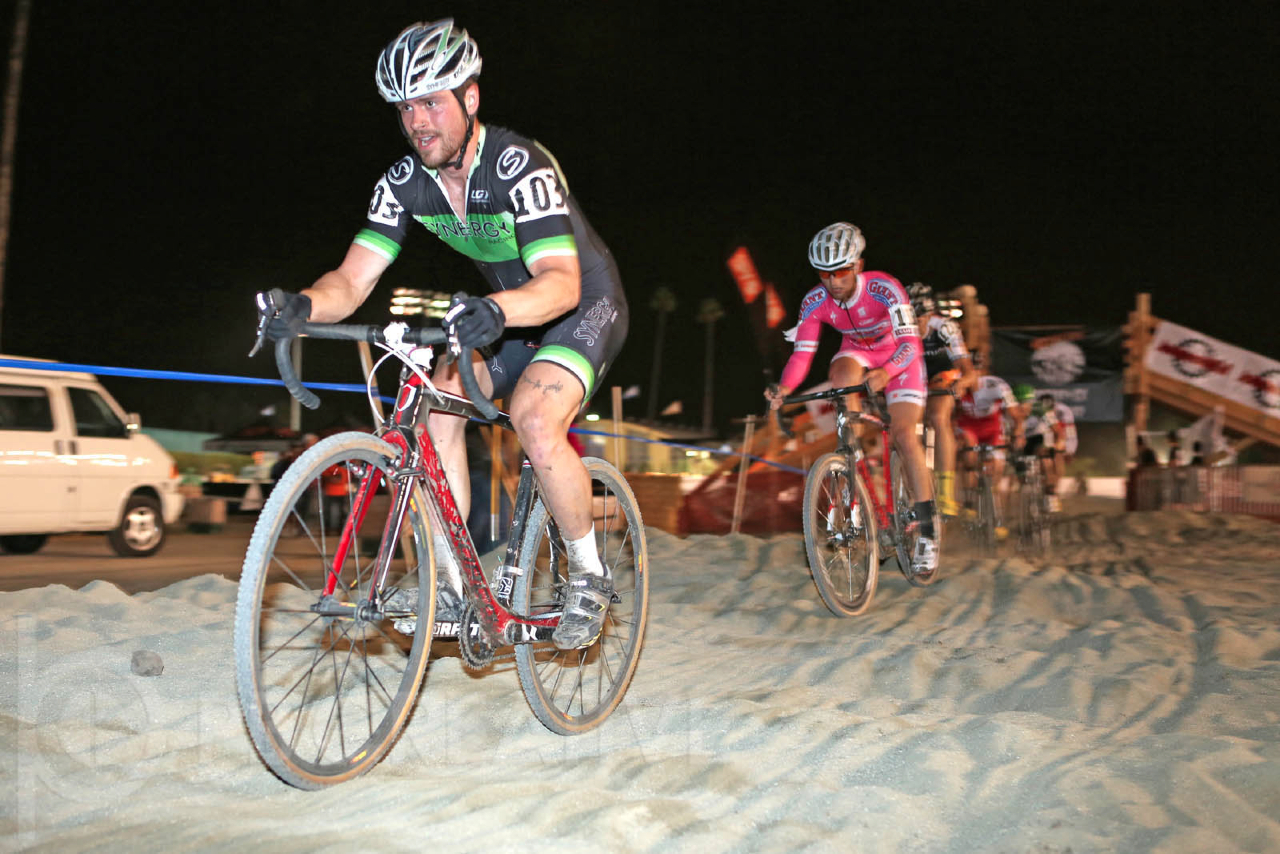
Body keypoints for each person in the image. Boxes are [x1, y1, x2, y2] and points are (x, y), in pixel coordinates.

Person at [260, 19, 628, 650]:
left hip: (578, 303)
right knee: (433, 410)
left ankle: (589, 575)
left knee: (534, 419)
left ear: (470, 98)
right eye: (405, 108)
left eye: (431, 102)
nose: (417, 121)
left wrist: (497, 309)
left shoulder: (518, 165)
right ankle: (456, 583)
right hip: (506, 313)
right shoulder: (405, 184)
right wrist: (303, 305)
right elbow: (350, 281)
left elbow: (561, 283)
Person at [764, 222, 938, 578]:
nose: (833, 282)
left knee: (905, 435)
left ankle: (928, 532)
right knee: (841, 374)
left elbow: (911, 344)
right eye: (824, 274)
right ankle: (853, 460)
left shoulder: (885, 288)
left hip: (899, 359)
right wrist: (783, 388)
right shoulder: (814, 301)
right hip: (857, 355)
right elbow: (802, 355)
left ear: (858, 265)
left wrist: (887, 373)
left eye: (841, 271)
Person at [908, 283, 978, 517]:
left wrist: (962, 382)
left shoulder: (945, 328)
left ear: (929, 315)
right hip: (913, 374)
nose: (913, 326)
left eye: (918, 320)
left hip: (942, 373)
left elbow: (968, 370)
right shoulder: (896, 327)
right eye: (908, 320)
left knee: (938, 418)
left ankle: (946, 491)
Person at [954, 372, 1025, 537]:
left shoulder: (996, 385)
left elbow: (1016, 416)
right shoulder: (954, 385)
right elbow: (949, 416)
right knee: (970, 457)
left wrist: (1018, 434)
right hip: (968, 427)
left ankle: (997, 517)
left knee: (996, 472)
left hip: (992, 428)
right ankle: (969, 503)